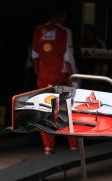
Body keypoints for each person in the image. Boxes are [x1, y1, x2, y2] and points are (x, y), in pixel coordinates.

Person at [31, 5, 78, 155]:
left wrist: (39, 73)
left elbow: (34, 56)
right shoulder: (65, 31)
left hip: (44, 75)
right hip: (61, 76)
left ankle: (48, 148)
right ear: (63, 16)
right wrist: (75, 77)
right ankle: (73, 146)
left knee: (45, 111)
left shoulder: (38, 30)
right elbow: (68, 58)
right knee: (66, 110)